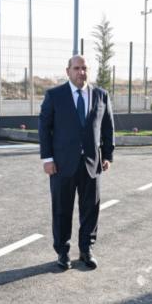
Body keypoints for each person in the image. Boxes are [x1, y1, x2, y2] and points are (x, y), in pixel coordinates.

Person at [38, 55, 115, 270]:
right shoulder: (55, 95)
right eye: (77, 68)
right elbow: (44, 128)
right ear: (68, 71)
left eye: (84, 68)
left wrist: (107, 155)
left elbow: (108, 127)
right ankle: (62, 252)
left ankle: (86, 250)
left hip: (92, 163)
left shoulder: (101, 95)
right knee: (62, 209)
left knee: (91, 209)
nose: (81, 72)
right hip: (61, 164)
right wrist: (47, 159)